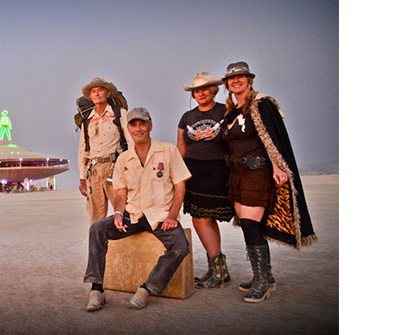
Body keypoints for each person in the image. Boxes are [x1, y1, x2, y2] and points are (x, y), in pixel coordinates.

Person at [220, 61, 317, 303]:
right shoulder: (231, 112)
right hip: (237, 174)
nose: (236, 81)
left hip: (257, 170)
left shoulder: (261, 104)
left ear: (249, 80)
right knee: (248, 223)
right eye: (231, 79)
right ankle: (265, 275)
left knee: (251, 224)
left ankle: (262, 283)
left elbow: (270, 138)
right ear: (227, 85)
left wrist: (277, 166)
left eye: (240, 77)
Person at [83, 107, 191, 311]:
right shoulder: (124, 158)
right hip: (132, 215)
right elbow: (121, 191)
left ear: (150, 126)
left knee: (180, 247)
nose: (138, 128)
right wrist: (117, 213)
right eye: (133, 124)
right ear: (128, 128)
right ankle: (97, 289)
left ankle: (147, 288)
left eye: (143, 124)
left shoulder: (167, 151)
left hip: (159, 216)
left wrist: (173, 216)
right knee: (97, 229)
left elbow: (180, 185)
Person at [177, 72, 235, 289]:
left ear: (213, 91)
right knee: (203, 219)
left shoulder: (225, 111)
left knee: (203, 219)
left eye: (204, 89)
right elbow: (181, 148)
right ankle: (217, 269)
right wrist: (177, 175)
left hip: (218, 169)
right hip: (193, 171)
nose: (200, 93)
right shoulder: (187, 117)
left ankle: (218, 269)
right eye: (196, 90)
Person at [77, 77, 133, 227]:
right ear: (90, 96)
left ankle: (124, 247)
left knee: (122, 211)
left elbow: (130, 140)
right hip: (93, 170)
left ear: (108, 93)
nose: (97, 94)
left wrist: (133, 165)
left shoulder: (119, 113)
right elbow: (83, 149)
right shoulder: (87, 119)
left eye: (100, 90)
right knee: (96, 217)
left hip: (115, 167)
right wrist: (82, 178)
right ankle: (95, 248)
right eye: (93, 91)